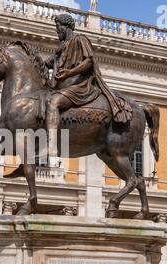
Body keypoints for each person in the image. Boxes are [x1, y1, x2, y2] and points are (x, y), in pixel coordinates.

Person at [44, 14, 132, 165]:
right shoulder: (60, 50)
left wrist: (69, 73)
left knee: (54, 102)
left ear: (66, 27)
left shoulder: (80, 40)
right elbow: (45, 64)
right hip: (64, 88)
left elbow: (89, 62)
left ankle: (51, 146)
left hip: (80, 86)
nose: (56, 30)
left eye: (58, 27)